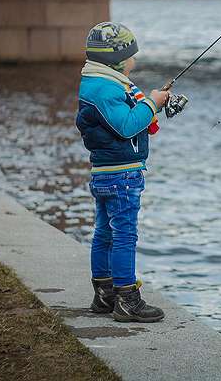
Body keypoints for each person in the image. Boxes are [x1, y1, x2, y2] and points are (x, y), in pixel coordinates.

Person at [76, 21, 170, 322]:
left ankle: (104, 294)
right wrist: (153, 104)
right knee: (124, 234)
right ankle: (127, 298)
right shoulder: (105, 88)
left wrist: (154, 105)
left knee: (104, 232)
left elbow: (131, 118)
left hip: (106, 172)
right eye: (131, 56)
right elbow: (125, 125)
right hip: (121, 175)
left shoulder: (100, 83)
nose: (135, 61)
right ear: (116, 60)